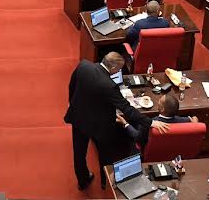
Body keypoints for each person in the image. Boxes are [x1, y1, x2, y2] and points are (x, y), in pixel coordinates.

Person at [64, 52, 168, 190]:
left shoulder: (83, 66)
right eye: (118, 69)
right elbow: (127, 109)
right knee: (105, 156)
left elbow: (71, 86)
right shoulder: (109, 85)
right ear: (113, 68)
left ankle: (82, 182)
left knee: (79, 153)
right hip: (100, 125)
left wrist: (72, 103)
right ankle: (105, 182)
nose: (119, 72)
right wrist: (150, 122)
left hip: (79, 118)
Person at [117, 94, 198, 146]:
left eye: (159, 101)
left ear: (162, 109)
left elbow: (138, 138)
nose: (158, 101)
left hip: (149, 151)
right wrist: (195, 122)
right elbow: (194, 118)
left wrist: (125, 123)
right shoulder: (184, 121)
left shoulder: (149, 123)